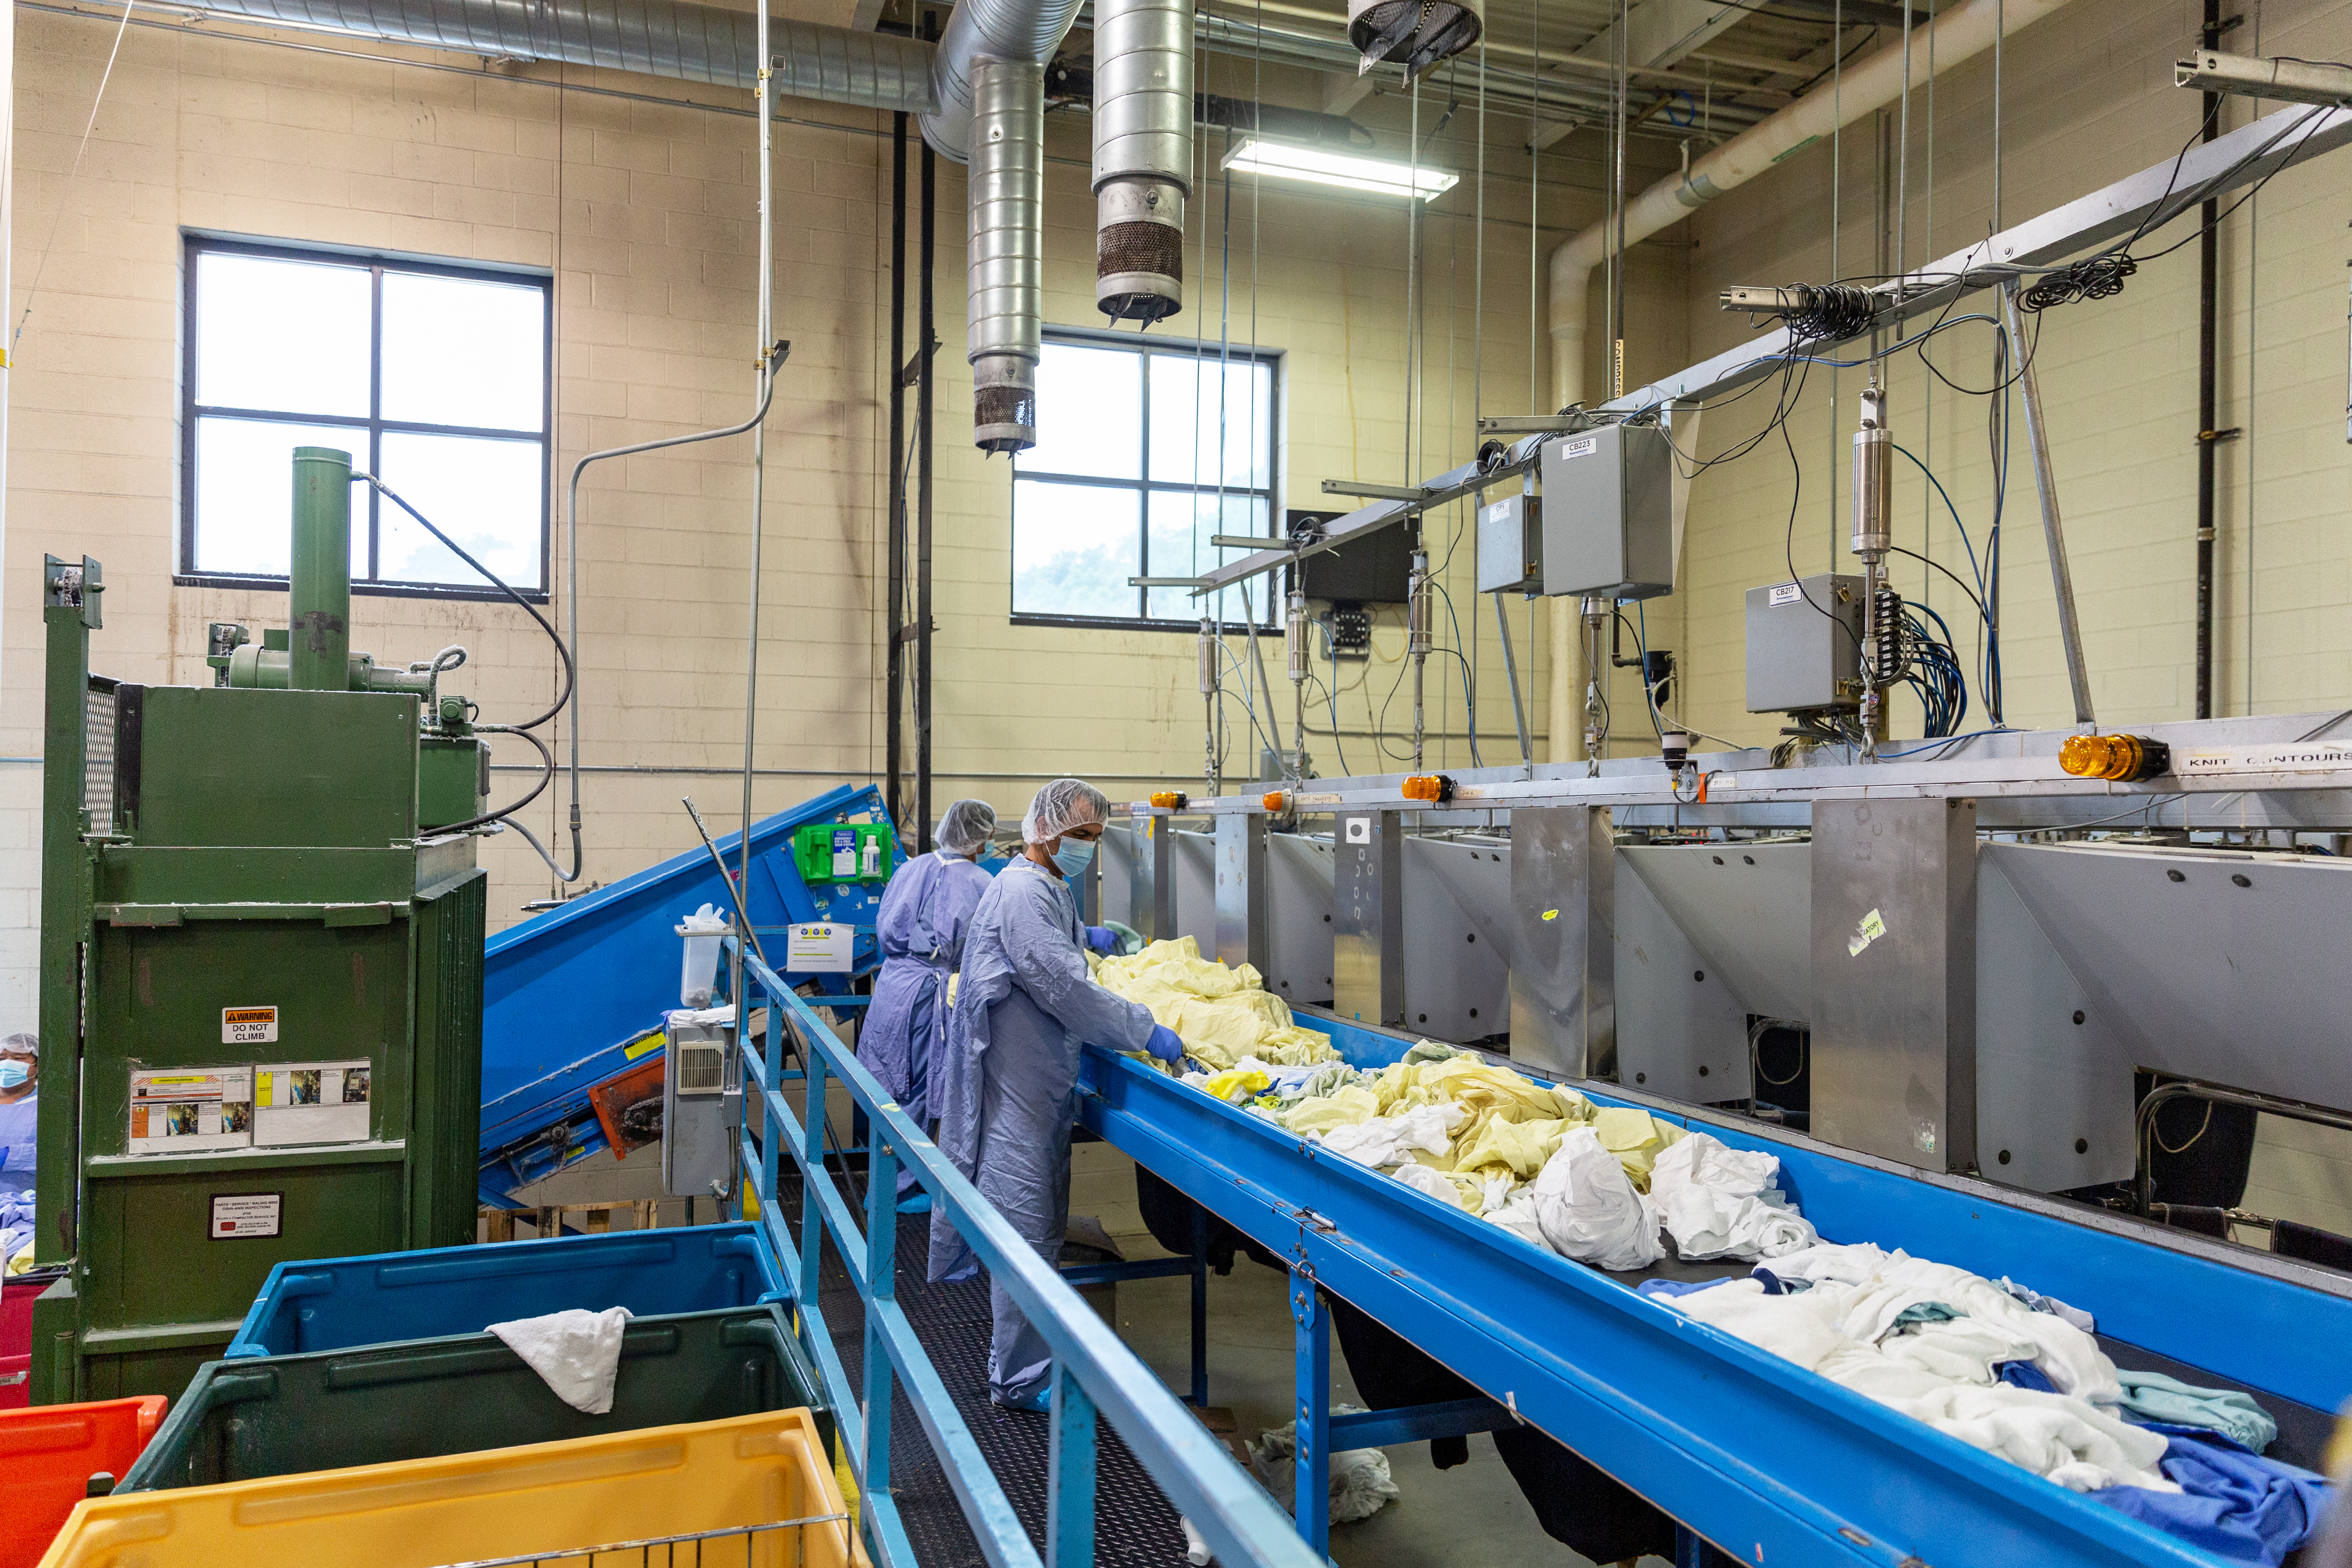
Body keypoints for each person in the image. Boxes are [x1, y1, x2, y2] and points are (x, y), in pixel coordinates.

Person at [929, 778, 1185, 1411]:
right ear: (1047, 832)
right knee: (1025, 1231)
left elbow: (1054, 959)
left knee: (1036, 1224)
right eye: (1082, 838)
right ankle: (1019, 1378)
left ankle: (1021, 1363)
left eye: (1096, 838)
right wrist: (1145, 1029)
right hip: (1016, 1092)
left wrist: (1087, 936)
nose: (1089, 849)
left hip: (1036, 1087)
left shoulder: (1043, 885)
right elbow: (1068, 991)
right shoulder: (1021, 891)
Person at [859, 799, 997, 1209]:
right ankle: (899, 1190)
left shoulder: (911, 868)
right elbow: (987, 945)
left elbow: (886, 926)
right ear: (978, 838)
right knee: (916, 1085)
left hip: (892, 987)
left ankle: (885, 1182)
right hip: (926, 995)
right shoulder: (978, 882)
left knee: (889, 1081)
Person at [0, 1034, 36, 1178]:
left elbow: (60, 1152)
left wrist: (9, 1155)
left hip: (27, 1196)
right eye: (2, 1059)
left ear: (37, 1066)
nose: (7, 1064)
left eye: (18, 1058)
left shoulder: (50, 1104)